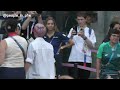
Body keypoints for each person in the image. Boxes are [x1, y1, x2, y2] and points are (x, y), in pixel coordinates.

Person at [67, 12, 96, 79]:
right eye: (78, 19)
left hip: (85, 60)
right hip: (73, 59)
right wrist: (71, 36)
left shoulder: (90, 31)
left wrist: (84, 37)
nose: (80, 21)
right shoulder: (73, 29)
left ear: (85, 19)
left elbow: (92, 46)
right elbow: (67, 45)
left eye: (81, 19)